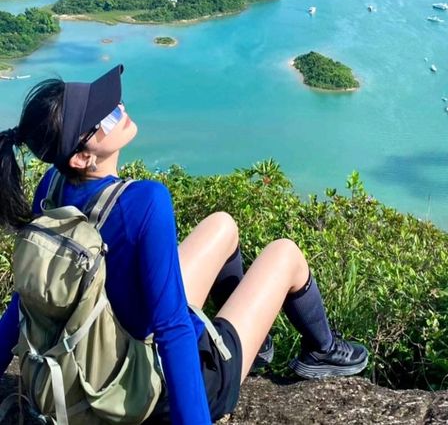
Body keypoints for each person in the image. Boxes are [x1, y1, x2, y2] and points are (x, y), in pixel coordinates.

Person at [0, 65, 368, 425]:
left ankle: (258, 349)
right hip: (146, 387)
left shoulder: (51, 188)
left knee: (222, 226)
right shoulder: (144, 201)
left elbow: (25, 300)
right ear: (83, 156)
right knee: (285, 254)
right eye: (108, 115)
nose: (121, 109)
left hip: (97, 355)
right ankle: (323, 352)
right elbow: (172, 327)